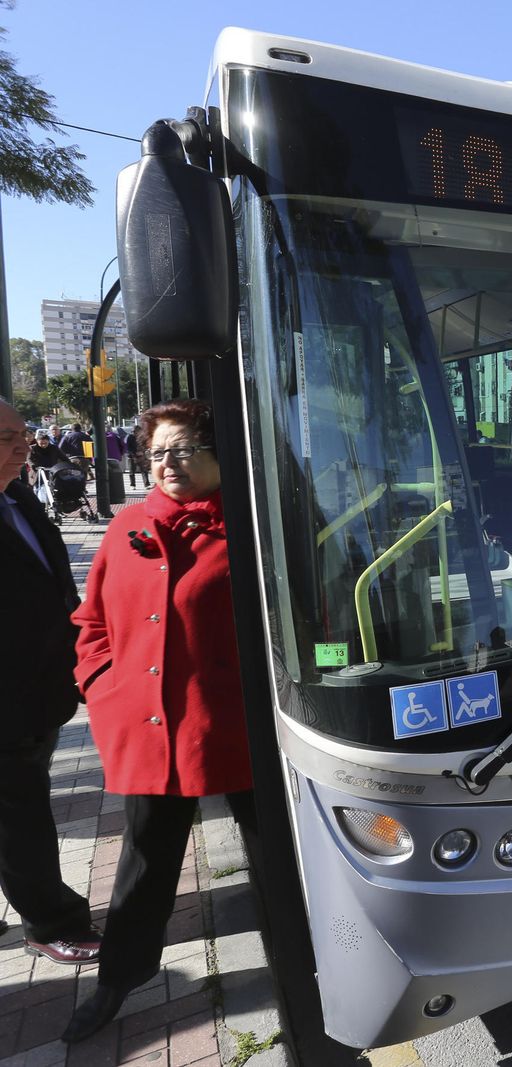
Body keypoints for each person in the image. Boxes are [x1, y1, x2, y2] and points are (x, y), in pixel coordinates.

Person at [63, 399, 253, 1043]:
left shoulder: (254, 523)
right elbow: (91, 620)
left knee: (278, 854)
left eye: (184, 450)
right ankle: (119, 977)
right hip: (150, 727)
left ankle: (308, 953)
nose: (169, 464)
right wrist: (99, 683)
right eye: (158, 454)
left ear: (217, 454)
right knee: (142, 863)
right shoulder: (126, 526)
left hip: (239, 725)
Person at [0, 399, 103, 967]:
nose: (25, 445)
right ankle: (50, 922)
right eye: (7, 437)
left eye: (24, 433)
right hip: (7, 700)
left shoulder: (17, 494)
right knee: (22, 815)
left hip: (38, 688)